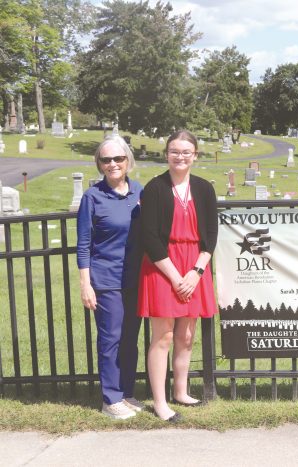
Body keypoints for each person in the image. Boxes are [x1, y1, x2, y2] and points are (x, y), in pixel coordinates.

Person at [138, 129, 218, 422]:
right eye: (174, 151)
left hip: (195, 265)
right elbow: (149, 238)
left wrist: (196, 272)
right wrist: (175, 277)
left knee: (186, 336)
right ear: (167, 154)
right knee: (164, 336)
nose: (180, 157)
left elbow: (211, 234)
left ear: (195, 155)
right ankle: (160, 402)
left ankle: (180, 391)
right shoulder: (155, 188)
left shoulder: (204, 188)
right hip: (163, 266)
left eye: (186, 152)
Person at [77, 135, 144, 419]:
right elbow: (83, 244)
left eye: (118, 158)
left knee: (131, 338)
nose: (113, 164)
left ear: (128, 160)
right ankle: (111, 399)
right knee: (111, 339)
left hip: (136, 279)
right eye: (106, 160)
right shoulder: (92, 197)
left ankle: (126, 393)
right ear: (99, 164)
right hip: (105, 281)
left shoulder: (139, 192)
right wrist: (85, 285)